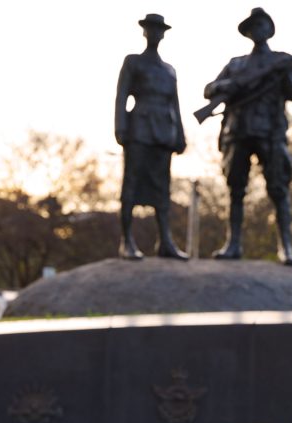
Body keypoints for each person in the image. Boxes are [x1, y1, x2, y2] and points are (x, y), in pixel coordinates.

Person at [204, 7, 292, 265]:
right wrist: (229, 85)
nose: (258, 30)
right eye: (253, 27)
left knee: (279, 190)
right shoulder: (236, 65)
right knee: (235, 189)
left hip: (270, 132)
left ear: (269, 29)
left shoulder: (281, 60)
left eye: (262, 25)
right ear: (248, 33)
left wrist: (285, 72)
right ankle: (233, 244)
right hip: (239, 132)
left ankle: (286, 247)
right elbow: (209, 89)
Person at [115, 13, 188, 260]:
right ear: (145, 32)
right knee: (132, 182)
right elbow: (122, 96)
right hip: (140, 127)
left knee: (162, 187)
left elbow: (175, 104)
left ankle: (165, 241)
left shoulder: (169, 70)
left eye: (160, 30)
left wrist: (180, 133)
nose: (155, 34)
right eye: (151, 29)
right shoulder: (133, 62)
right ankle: (127, 240)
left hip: (163, 132)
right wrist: (120, 127)